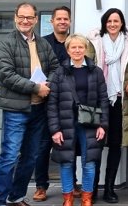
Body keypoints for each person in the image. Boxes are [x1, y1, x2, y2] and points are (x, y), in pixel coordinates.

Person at [0, 2, 60, 206]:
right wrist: (34, 87)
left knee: (30, 157)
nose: (25, 21)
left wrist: (49, 83)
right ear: (15, 17)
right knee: (10, 157)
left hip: (38, 109)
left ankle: (16, 197)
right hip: (16, 109)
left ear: (36, 20)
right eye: (22, 16)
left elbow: (55, 67)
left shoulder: (42, 43)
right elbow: (5, 74)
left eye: (30, 17)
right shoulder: (7, 44)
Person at [47, 34, 110, 206]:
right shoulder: (59, 73)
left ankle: (86, 198)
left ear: (85, 49)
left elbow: (103, 100)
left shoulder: (95, 71)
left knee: (89, 162)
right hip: (65, 123)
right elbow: (52, 103)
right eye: (73, 47)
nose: (77, 50)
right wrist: (55, 129)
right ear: (67, 50)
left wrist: (102, 125)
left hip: (90, 122)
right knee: (66, 162)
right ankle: (67, 198)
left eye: (80, 47)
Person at [86, 8, 128, 203]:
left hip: (120, 99)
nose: (112, 24)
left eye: (116, 21)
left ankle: (109, 188)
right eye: (109, 21)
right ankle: (91, 189)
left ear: (122, 23)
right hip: (99, 100)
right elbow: (88, 68)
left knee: (116, 144)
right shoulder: (95, 41)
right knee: (96, 145)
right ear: (104, 23)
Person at [34, 6, 73, 202]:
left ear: (70, 21)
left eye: (66, 19)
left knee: (69, 146)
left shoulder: (75, 43)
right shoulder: (42, 43)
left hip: (68, 104)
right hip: (45, 101)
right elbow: (38, 70)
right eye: (59, 19)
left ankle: (71, 185)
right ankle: (41, 186)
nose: (62, 22)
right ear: (52, 21)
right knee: (43, 145)